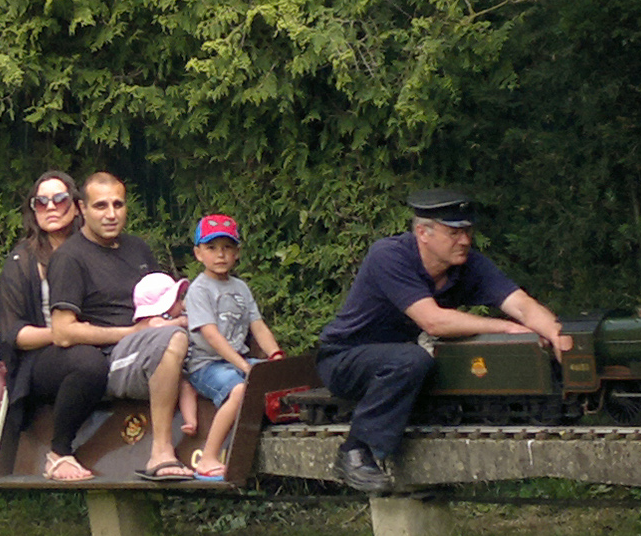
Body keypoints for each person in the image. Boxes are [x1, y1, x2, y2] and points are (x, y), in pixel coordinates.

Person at [315, 190, 568, 494]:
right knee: (413, 360)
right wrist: (504, 327)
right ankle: (355, 451)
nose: (464, 240)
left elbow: (522, 305)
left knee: (435, 365)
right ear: (423, 232)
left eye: (467, 231)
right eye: (454, 232)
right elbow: (433, 321)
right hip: (346, 359)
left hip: (401, 364)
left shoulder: (468, 266)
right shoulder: (389, 256)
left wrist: (557, 334)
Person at [45, 172, 193, 481]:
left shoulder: (138, 248)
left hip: (153, 339)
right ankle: (161, 453)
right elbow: (62, 331)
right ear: (81, 208)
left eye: (118, 204)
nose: (111, 214)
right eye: (100, 206)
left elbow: (165, 300)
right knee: (173, 340)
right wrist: (133, 333)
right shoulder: (69, 258)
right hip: (111, 359)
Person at [0, 171, 100, 481]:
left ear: (78, 205)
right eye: (40, 202)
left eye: (59, 199)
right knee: (87, 362)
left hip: (103, 341)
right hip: (42, 356)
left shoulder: (96, 249)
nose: (50, 207)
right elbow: (13, 334)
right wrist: (65, 333)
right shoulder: (21, 260)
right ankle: (60, 453)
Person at [181, 213, 283, 480]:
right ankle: (208, 457)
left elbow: (257, 325)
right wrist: (243, 367)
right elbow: (212, 337)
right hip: (206, 365)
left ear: (237, 252)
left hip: (237, 361)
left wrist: (276, 356)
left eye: (227, 247)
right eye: (211, 247)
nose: (220, 254)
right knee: (239, 390)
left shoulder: (241, 287)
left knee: (277, 379)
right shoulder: (199, 290)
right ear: (198, 253)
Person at [114, 272, 198, 437]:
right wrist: (180, 322)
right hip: (161, 370)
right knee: (184, 387)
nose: (181, 304)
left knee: (188, 388)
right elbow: (158, 328)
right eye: (177, 300)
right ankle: (190, 421)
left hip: (181, 369)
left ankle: (191, 421)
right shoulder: (154, 321)